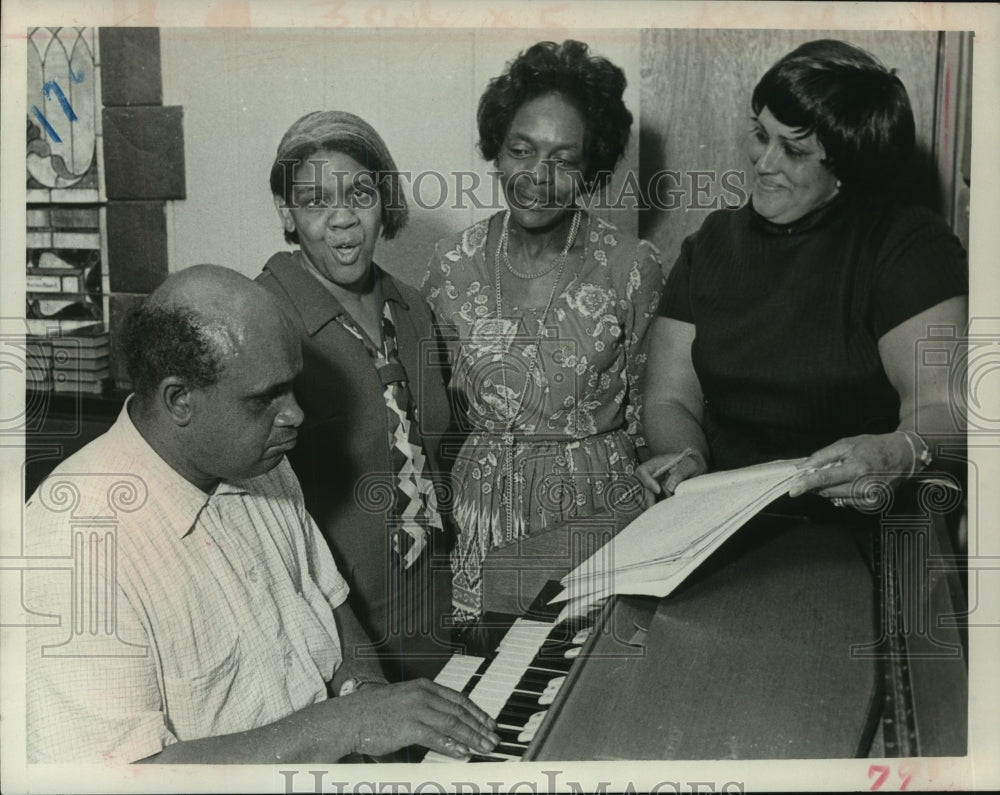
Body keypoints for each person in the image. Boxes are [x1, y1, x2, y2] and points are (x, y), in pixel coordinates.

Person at [23, 265, 498, 763]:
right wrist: (349, 725)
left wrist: (367, 696)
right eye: (265, 398)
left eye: (292, 387)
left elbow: (333, 607)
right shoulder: (72, 546)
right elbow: (120, 778)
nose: (295, 414)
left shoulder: (260, 461)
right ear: (180, 399)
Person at [637, 39, 968, 511]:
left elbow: (944, 408)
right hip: (721, 517)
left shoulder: (909, 245)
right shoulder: (712, 242)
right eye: (760, 133)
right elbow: (670, 400)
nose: (763, 161)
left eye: (793, 150)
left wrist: (897, 453)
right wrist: (683, 456)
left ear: (847, 169)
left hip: (855, 522)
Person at [422, 40, 665, 623]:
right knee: (481, 683)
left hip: (590, 511)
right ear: (497, 151)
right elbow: (433, 414)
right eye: (521, 150)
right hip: (476, 513)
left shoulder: (631, 265)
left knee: (580, 683)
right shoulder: (451, 263)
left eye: (564, 159)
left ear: (591, 167)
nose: (538, 177)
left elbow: (651, 412)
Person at [258, 111, 453, 681]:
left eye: (360, 194)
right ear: (286, 213)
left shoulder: (414, 308)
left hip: (435, 607)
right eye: (316, 202)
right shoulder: (263, 317)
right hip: (337, 632)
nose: (343, 220)